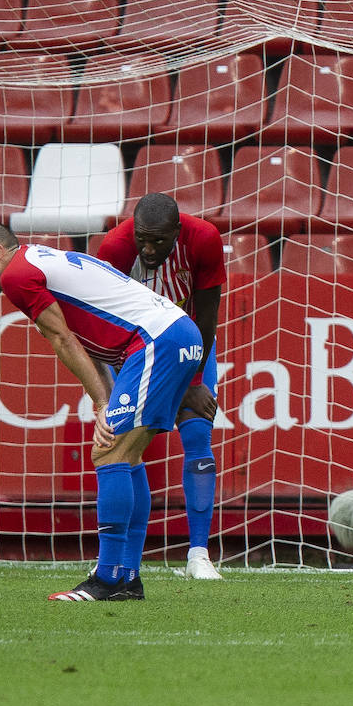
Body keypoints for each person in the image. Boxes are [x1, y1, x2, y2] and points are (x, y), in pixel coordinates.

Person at [0, 222, 204, 602]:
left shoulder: (17, 275)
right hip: (176, 334)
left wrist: (106, 404)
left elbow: (63, 338)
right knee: (128, 455)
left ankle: (108, 577)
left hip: (155, 341)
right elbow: (86, 338)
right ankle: (126, 578)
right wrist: (102, 399)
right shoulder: (41, 260)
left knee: (110, 451)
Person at [95, 193, 226, 580]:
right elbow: (106, 319)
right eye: (142, 240)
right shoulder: (115, 248)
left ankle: (198, 555)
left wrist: (191, 381)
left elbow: (207, 315)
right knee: (123, 445)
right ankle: (118, 560)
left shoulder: (204, 239)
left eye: (159, 241)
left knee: (198, 432)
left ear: (177, 232)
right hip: (131, 350)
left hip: (190, 343)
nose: (149, 250)